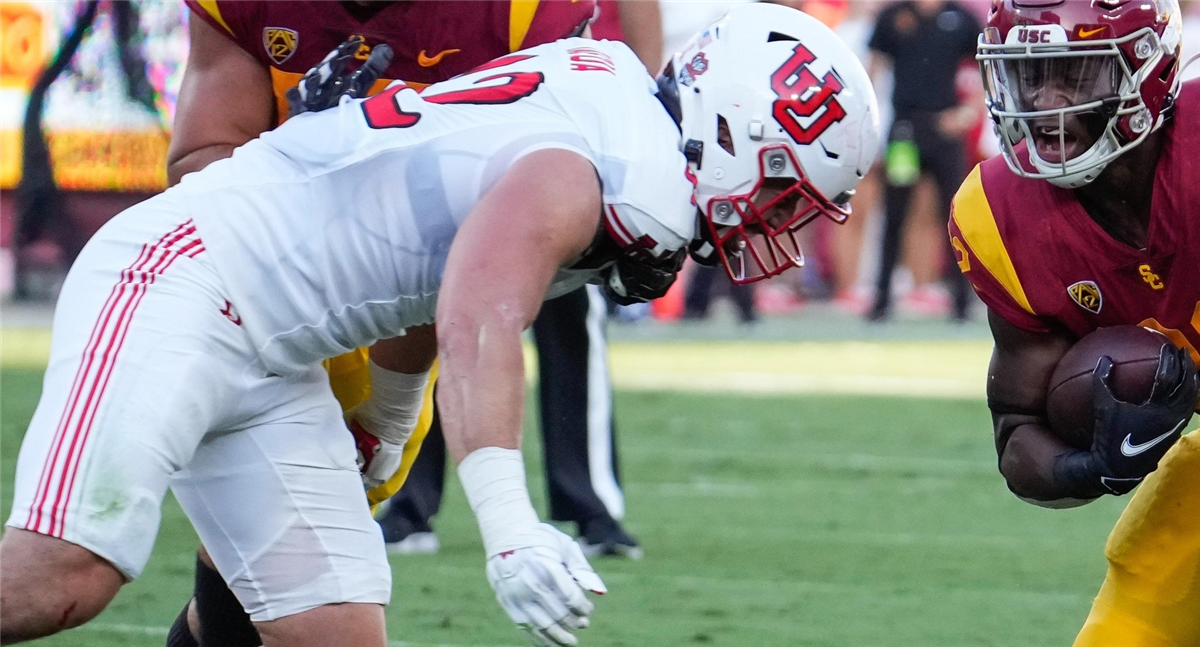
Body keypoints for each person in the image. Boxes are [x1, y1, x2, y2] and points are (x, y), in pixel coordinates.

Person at [0, 5, 881, 646]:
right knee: (64, 577)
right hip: (184, 277)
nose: (778, 229)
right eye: (778, 190)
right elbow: (476, 309)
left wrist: (384, 417)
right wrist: (508, 523)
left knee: (329, 632)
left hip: (270, 345)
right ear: (727, 129)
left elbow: (428, 261)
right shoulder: (616, 166)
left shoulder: (610, 99)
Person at [948, 0, 1200, 643]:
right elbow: (1018, 433)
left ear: (1149, 69)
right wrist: (1089, 466)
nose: (1046, 102)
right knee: (1140, 604)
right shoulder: (1000, 215)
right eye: (1031, 76)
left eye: (1076, 73)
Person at [377, 0, 665, 561]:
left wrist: (642, 117)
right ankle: (410, 498)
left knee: (571, 319)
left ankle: (589, 503)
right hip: (474, 113)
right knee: (433, 301)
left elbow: (640, 15)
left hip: (575, 121)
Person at [866, 0, 981, 321]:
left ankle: (961, 302)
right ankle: (881, 300)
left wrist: (969, 111)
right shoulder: (893, 16)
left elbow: (988, 64)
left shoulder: (960, 18)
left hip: (945, 131)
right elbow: (871, 70)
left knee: (957, 216)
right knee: (894, 214)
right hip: (905, 132)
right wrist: (864, 122)